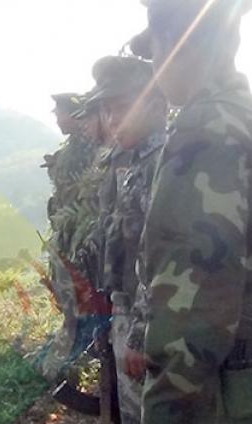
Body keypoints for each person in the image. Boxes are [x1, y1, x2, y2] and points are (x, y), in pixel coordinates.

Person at [125, 0, 252, 422]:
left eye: (156, 53)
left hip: (221, 395)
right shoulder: (250, 117)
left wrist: (168, 409)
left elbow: (191, 308)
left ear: (175, 45)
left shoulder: (206, 126)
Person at [87, 55, 167, 423]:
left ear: (152, 103)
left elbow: (163, 253)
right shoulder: (131, 162)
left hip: (150, 321)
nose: (113, 120)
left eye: (122, 107)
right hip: (125, 308)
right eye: (107, 110)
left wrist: (139, 333)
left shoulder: (162, 162)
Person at [34, 93, 106, 384]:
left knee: (84, 296)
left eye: (58, 112)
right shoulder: (73, 147)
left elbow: (89, 187)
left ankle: (82, 352)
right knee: (69, 297)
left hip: (84, 234)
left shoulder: (89, 146)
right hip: (68, 233)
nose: (55, 117)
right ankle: (73, 348)